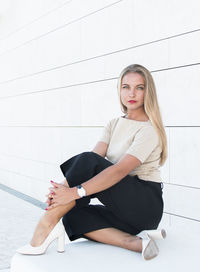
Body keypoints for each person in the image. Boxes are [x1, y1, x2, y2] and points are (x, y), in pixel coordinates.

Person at [17, 64, 168, 260]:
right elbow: (90, 163)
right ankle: (135, 243)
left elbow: (119, 170)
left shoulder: (149, 130)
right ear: (119, 90)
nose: (132, 93)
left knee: (84, 171)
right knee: (72, 215)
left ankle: (45, 225)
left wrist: (73, 192)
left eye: (139, 87)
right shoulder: (114, 124)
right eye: (126, 87)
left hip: (145, 205)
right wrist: (61, 191)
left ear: (148, 92)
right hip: (123, 211)